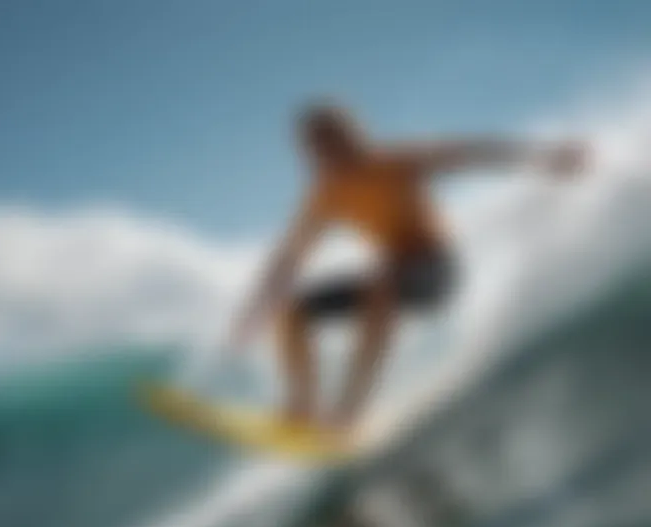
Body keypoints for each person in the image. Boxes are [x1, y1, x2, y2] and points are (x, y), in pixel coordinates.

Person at [230, 104, 586, 433]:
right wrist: (255, 311)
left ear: (351, 134)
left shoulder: (395, 161)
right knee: (293, 309)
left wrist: (545, 157)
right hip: (390, 277)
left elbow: (471, 154)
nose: (320, 153)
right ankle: (301, 409)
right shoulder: (327, 194)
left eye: (328, 140)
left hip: (436, 271)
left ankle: (349, 411)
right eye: (312, 146)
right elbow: (289, 258)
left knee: (381, 279)